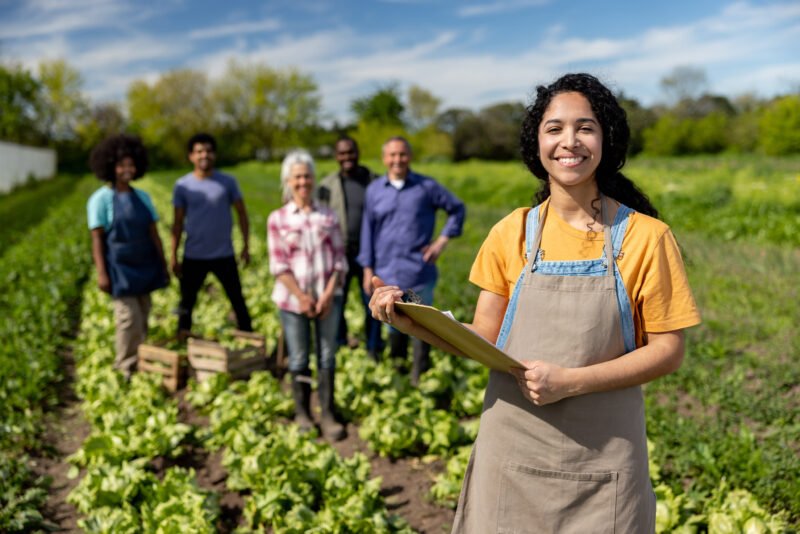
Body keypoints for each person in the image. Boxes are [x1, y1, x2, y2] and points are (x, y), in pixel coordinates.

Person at [369, 73, 701, 532]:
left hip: (603, 468)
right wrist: (410, 321)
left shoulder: (646, 238)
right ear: (536, 143)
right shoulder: (512, 232)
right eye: (555, 128)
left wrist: (572, 381)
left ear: (606, 139)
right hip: (511, 462)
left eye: (585, 128)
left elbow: (669, 350)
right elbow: (483, 339)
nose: (570, 141)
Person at [358, 136, 466, 384]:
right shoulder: (374, 191)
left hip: (418, 273)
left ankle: (420, 377)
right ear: (385, 158)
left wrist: (441, 241)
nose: (397, 160)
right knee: (391, 324)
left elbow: (457, 209)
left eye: (402, 154)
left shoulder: (426, 187)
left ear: (410, 157)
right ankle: (398, 375)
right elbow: (368, 230)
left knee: (423, 325)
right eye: (392, 155)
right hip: (386, 273)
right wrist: (367, 268)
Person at [267, 149, 347, 441]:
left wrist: (326, 295)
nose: (303, 181)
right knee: (299, 357)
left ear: (314, 179)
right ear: (288, 181)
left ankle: (327, 413)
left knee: (327, 355)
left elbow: (339, 259)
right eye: (297, 176)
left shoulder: (327, 215)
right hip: (292, 301)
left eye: (307, 175)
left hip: (328, 298)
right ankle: (303, 412)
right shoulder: (278, 219)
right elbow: (279, 265)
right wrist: (301, 296)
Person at [87, 134, 169, 378]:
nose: (127, 170)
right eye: (122, 165)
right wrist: (102, 273)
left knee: (143, 315)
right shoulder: (100, 199)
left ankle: (141, 362)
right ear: (110, 167)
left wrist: (163, 264)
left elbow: (154, 234)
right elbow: (97, 239)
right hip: (120, 269)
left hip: (145, 263)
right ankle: (125, 366)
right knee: (128, 319)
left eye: (131, 165)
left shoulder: (142, 197)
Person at [171, 133, 252, 338]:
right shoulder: (183, 185)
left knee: (237, 299)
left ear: (214, 155)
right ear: (191, 156)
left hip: (223, 253)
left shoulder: (227, 182)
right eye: (199, 151)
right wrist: (173, 255)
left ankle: (249, 338)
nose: (204, 155)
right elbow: (178, 222)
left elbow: (242, 213)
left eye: (208, 151)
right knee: (186, 302)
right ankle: (182, 337)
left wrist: (246, 246)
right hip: (193, 254)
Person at [316, 136, 382, 359]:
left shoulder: (374, 180)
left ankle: (373, 348)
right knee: (338, 301)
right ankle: (341, 344)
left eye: (350, 152)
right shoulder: (327, 186)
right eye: (342, 153)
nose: (347, 158)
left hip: (370, 254)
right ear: (336, 156)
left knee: (371, 302)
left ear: (358, 152)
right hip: (339, 253)